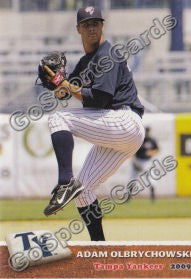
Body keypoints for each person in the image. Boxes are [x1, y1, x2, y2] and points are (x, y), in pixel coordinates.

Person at [44, 6, 145, 241]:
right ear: (78, 29)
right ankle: (99, 247)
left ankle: (63, 183)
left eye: (96, 23)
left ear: (102, 26)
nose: (92, 28)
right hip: (118, 134)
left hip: (125, 120)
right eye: (87, 24)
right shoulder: (85, 62)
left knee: (58, 118)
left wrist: (66, 85)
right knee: (84, 190)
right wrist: (58, 85)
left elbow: (100, 98)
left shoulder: (107, 55)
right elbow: (67, 90)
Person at [132, 127, 159, 202]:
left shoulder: (152, 140)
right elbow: (132, 150)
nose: (147, 133)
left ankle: (153, 197)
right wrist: (133, 162)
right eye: (146, 131)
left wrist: (151, 152)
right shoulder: (139, 139)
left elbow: (157, 150)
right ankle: (128, 197)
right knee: (133, 179)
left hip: (147, 161)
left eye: (148, 131)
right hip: (138, 160)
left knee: (151, 179)